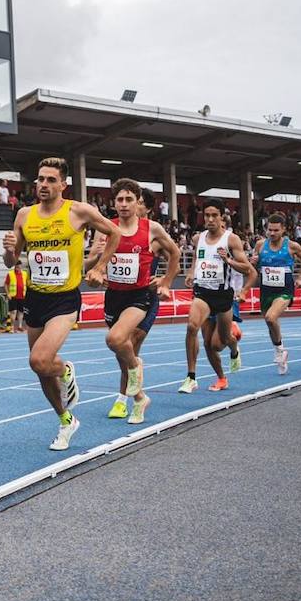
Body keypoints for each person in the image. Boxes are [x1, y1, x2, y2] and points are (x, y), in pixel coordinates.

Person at [3, 157, 119, 450]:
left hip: (64, 299)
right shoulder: (23, 215)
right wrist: (8, 251)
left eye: (51, 180)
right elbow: (11, 260)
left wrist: (99, 267)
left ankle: (65, 369)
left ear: (63, 185)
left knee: (40, 360)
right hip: (35, 297)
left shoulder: (78, 211)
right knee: (40, 369)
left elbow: (114, 233)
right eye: (40, 179)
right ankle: (66, 420)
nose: (43, 184)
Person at [89, 178, 179, 424]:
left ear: (138, 202)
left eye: (130, 199)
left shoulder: (151, 229)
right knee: (122, 350)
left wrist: (166, 282)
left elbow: (176, 253)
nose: (125, 204)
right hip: (114, 296)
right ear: (114, 202)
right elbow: (90, 266)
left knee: (118, 339)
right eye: (120, 199)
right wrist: (96, 270)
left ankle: (126, 392)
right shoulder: (106, 228)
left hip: (140, 296)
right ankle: (137, 396)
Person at [179, 198, 256, 393]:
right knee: (193, 329)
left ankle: (233, 346)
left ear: (222, 217)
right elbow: (197, 258)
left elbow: (247, 268)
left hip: (223, 297)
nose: (210, 219)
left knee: (218, 343)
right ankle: (194, 377)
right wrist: (190, 273)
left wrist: (228, 260)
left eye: (214, 215)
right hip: (203, 292)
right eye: (207, 215)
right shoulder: (198, 238)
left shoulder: (231, 239)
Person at [250, 212, 301, 375]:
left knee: (271, 317)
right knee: (269, 323)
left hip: (285, 289)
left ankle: (279, 350)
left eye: (276, 230)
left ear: (283, 229)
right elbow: (254, 267)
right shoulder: (260, 245)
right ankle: (280, 350)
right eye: (270, 230)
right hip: (266, 289)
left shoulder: (292, 246)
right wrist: (252, 262)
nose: (272, 233)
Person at [4, 259, 27, 333]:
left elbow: (27, 284)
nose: (18, 269)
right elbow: (6, 284)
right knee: (13, 312)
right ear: (15, 266)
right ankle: (12, 327)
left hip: (22, 296)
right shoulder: (10, 274)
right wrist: (8, 293)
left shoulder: (25, 274)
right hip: (13, 296)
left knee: (21, 312)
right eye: (17, 267)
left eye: (19, 267)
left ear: (21, 266)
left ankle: (20, 326)